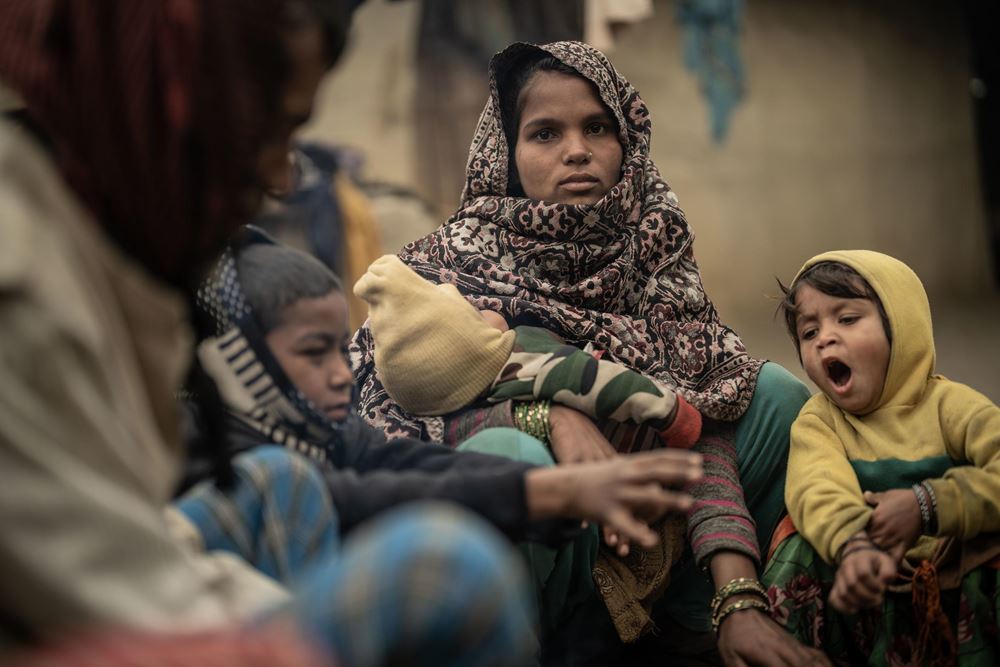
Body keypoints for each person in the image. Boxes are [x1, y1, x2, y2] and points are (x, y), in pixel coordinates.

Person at [0, 3, 535, 665]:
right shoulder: (23, 283)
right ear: (169, 104)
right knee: (450, 569)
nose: (283, 178)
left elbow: (360, 457)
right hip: (130, 621)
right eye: (269, 128)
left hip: (152, 584)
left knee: (290, 481)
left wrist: (529, 481)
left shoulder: (96, 243)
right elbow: (126, 603)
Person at [351, 40, 824, 666]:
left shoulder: (652, 247)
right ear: (508, 155)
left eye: (597, 127)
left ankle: (689, 631)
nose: (577, 150)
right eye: (545, 133)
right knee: (507, 457)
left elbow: (700, 420)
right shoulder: (443, 273)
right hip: (537, 561)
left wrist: (738, 597)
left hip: (651, 536)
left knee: (777, 398)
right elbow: (393, 431)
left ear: (626, 141)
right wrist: (549, 414)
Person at [181, 227, 705, 648]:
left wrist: (553, 485)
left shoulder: (330, 429)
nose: (342, 372)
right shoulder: (200, 447)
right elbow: (346, 497)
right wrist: (545, 493)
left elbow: (404, 464)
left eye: (339, 350)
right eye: (313, 353)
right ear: (237, 360)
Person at [765, 250, 1000, 665]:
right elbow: (815, 489)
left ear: (902, 326)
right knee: (796, 543)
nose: (825, 338)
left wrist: (928, 505)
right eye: (808, 331)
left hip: (961, 581)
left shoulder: (953, 407)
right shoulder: (821, 421)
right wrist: (853, 545)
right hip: (865, 584)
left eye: (848, 319)